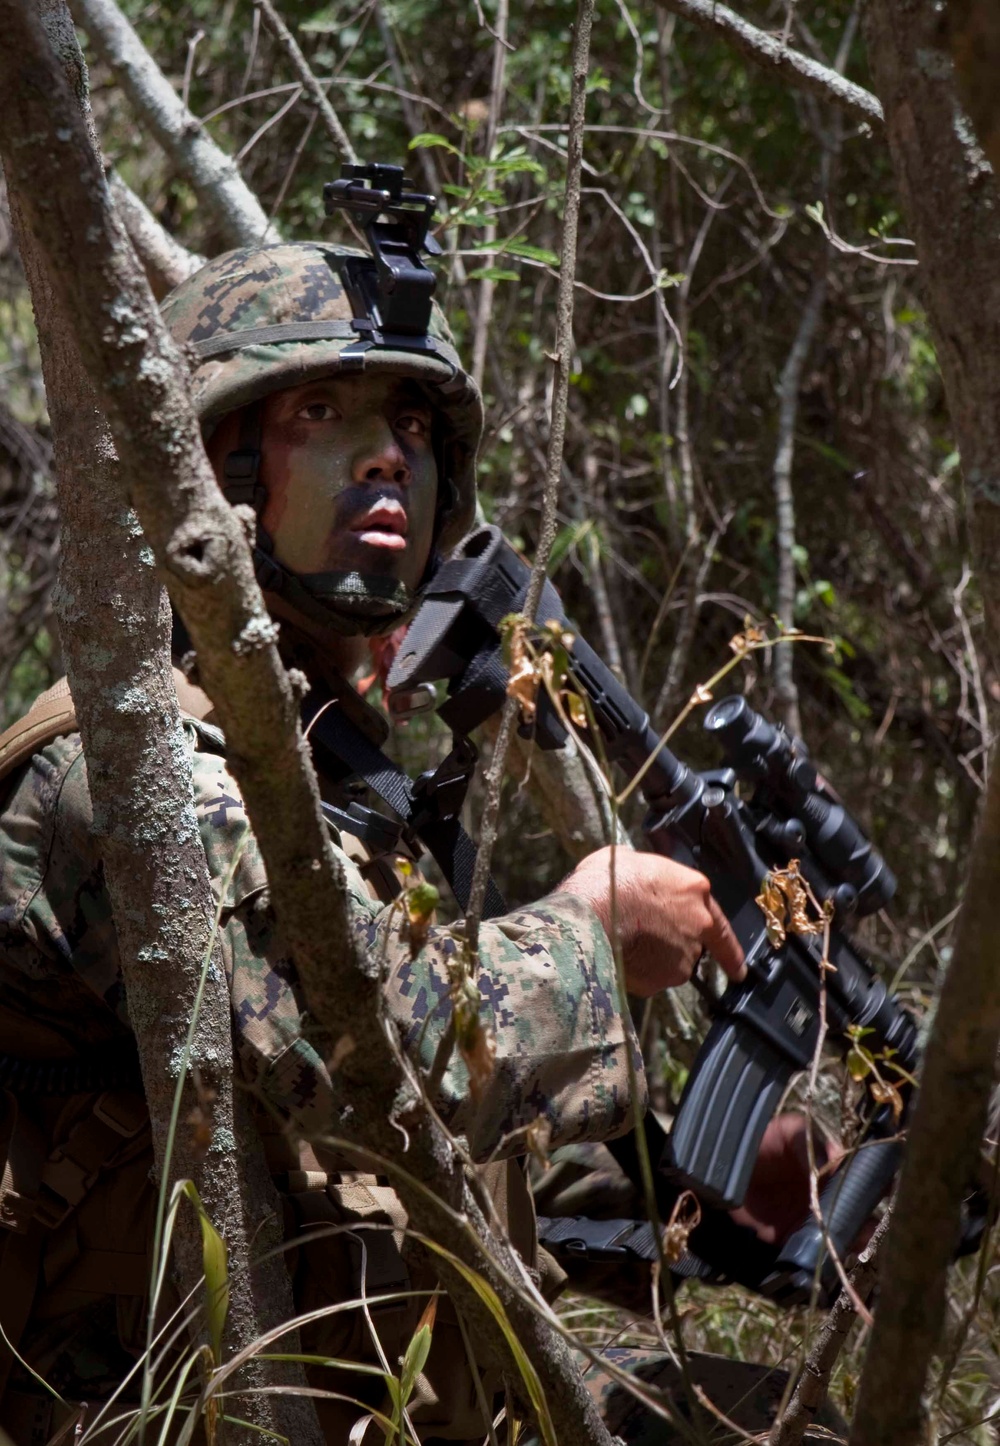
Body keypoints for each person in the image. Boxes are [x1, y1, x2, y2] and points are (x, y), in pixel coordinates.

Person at [0, 239, 835, 1444]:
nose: (386, 452)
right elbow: (376, 1060)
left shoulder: (331, 776)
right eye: (320, 413)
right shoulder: (124, 767)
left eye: (410, 423)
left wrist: (722, 1201)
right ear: (211, 469)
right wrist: (590, 933)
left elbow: (452, 1171)